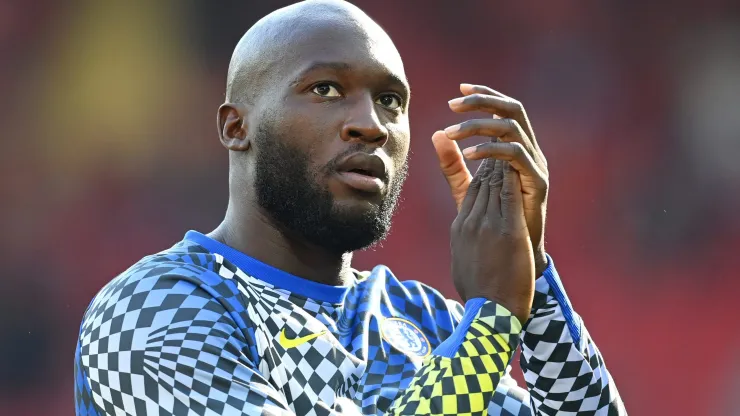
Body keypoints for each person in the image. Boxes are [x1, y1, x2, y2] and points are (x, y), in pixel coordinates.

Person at [74, 1, 625, 414]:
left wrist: (533, 278)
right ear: (237, 127)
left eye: (391, 101)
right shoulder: (152, 311)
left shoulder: (426, 322)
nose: (372, 124)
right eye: (325, 89)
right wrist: (492, 327)